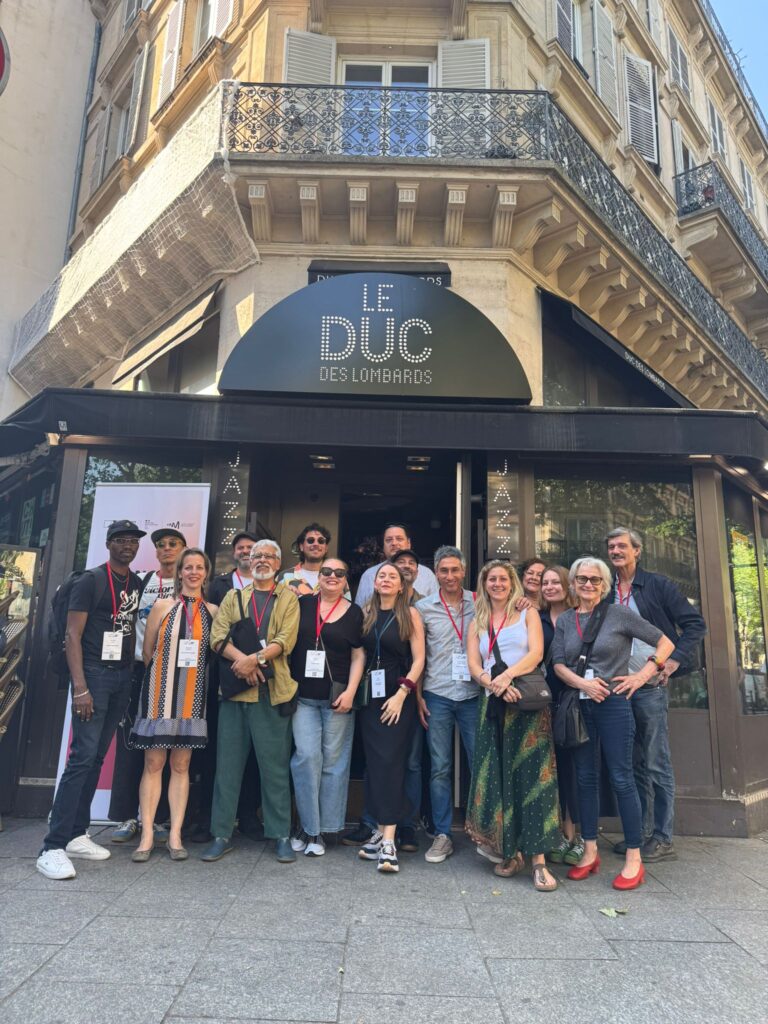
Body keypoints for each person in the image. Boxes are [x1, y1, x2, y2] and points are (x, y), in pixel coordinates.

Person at [552, 557, 675, 891]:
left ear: (604, 584)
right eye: (582, 579)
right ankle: (590, 851)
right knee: (585, 779)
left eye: (595, 579)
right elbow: (558, 663)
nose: (588, 584)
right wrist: (583, 684)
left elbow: (665, 642)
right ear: (573, 583)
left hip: (614, 704)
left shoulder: (618, 614)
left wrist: (643, 675)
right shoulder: (567, 619)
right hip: (580, 705)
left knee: (622, 778)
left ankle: (634, 857)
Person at [36, 520, 145, 880]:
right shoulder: (91, 580)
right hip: (94, 675)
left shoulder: (135, 583)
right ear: (109, 544)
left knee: (96, 756)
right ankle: (52, 846)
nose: (128, 546)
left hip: (121, 676)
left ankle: (76, 833)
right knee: (81, 758)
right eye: (121, 540)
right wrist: (80, 687)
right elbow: (72, 634)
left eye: (133, 541)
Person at [606, 527, 707, 863]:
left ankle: (663, 838)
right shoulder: (607, 590)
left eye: (622, 546)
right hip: (618, 690)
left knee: (656, 762)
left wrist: (673, 660)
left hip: (649, 688)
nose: (616, 551)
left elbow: (695, 625)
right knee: (634, 763)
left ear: (637, 550)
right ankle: (641, 835)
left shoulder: (657, 585)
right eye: (611, 547)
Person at [202, 540, 299, 863]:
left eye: (269, 556)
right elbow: (217, 637)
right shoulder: (234, 596)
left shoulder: (288, 597)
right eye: (256, 555)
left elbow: (285, 640)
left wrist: (253, 660)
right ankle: (221, 833)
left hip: (272, 693)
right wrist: (243, 662)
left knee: (274, 768)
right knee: (227, 767)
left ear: (279, 563)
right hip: (235, 693)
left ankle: (280, 834)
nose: (261, 560)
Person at [465, 560, 559, 891]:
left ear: (512, 582)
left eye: (503, 579)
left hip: (526, 703)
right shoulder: (477, 620)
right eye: (492, 579)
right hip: (493, 704)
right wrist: (494, 684)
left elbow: (536, 653)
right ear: (484, 584)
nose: (498, 584)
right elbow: (474, 664)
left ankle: (539, 860)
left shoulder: (527, 612)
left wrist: (506, 677)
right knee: (497, 777)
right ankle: (509, 852)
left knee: (533, 778)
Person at [130, 548, 217, 861]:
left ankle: (175, 836)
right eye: (188, 567)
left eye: (199, 567)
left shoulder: (213, 611)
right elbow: (147, 652)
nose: (193, 572)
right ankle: (147, 835)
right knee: (153, 763)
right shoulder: (162, 606)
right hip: (159, 694)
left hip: (193, 696)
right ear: (179, 572)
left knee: (181, 765)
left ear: (206, 573)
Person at [345, 547, 427, 853]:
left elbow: (419, 661)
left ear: (402, 585)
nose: (387, 580)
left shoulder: (410, 614)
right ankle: (380, 832)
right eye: (382, 576)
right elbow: (358, 654)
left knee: (392, 763)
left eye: (393, 576)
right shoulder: (365, 612)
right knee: (376, 764)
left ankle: (389, 838)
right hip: (371, 696)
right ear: (375, 582)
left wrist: (402, 694)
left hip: (398, 695)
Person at [109, 526, 187, 844]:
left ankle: (159, 819)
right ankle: (128, 816)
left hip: (176, 674)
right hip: (139, 669)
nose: (167, 548)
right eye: (161, 544)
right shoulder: (141, 581)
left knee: (168, 745)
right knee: (132, 743)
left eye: (173, 543)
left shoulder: (190, 585)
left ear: (184, 550)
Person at [289, 558, 365, 856]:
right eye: (327, 572)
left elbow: (358, 655)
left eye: (339, 573)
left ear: (346, 581)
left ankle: (323, 829)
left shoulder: (355, 612)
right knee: (306, 759)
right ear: (318, 577)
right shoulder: (301, 605)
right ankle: (308, 826)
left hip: (337, 698)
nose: (332, 576)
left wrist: (351, 692)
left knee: (334, 764)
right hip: (303, 698)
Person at [194, 529, 261, 843]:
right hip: (222, 673)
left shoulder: (272, 586)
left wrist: (254, 662)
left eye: (251, 548)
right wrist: (238, 660)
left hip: (261, 674)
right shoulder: (217, 585)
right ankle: (209, 818)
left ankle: (248, 815)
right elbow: (209, 628)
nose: (246, 552)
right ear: (234, 553)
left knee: (254, 752)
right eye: (241, 548)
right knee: (217, 751)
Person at [416, 546, 477, 865]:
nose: (450, 576)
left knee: (478, 763)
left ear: (463, 571)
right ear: (436, 573)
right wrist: (418, 696)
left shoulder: (480, 602)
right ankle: (442, 834)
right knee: (439, 767)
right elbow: (418, 656)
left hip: (473, 694)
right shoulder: (423, 608)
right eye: (444, 570)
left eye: (455, 569)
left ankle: (483, 829)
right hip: (437, 694)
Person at [539, 565, 583, 866]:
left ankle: (574, 834)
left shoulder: (580, 617)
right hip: (544, 699)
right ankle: (554, 833)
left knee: (574, 770)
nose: (550, 587)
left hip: (575, 698)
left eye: (556, 582)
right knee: (550, 770)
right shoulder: (536, 617)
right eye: (546, 582)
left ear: (568, 585)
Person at [355, 523, 437, 608]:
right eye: (389, 540)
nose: (394, 543)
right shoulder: (369, 575)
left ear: (408, 543)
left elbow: (436, 610)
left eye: (399, 539)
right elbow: (360, 610)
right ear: (383, 546)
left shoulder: (427, 574)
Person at [279, 523, 331, 596]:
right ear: (301, 547)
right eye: (310, 540)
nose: (316, 544)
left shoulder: (336, 577)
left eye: (321, 541)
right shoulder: (284, 576)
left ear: (326, 548)